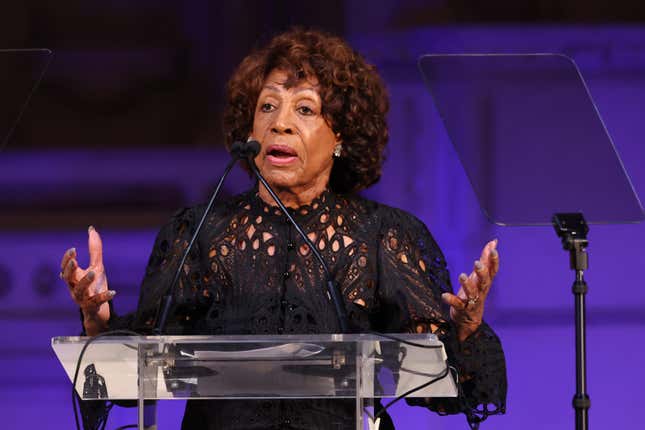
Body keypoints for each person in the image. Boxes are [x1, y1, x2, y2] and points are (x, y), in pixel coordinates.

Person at [60, 28, 506, 430]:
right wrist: (98, 326)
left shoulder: (383, 235)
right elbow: (131, 379)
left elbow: (444, 386)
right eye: (267, 105)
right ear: (248, 128)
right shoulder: (197, 232)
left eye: (305, 109)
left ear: (342, 136)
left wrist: (465, 330)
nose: (280, 122)